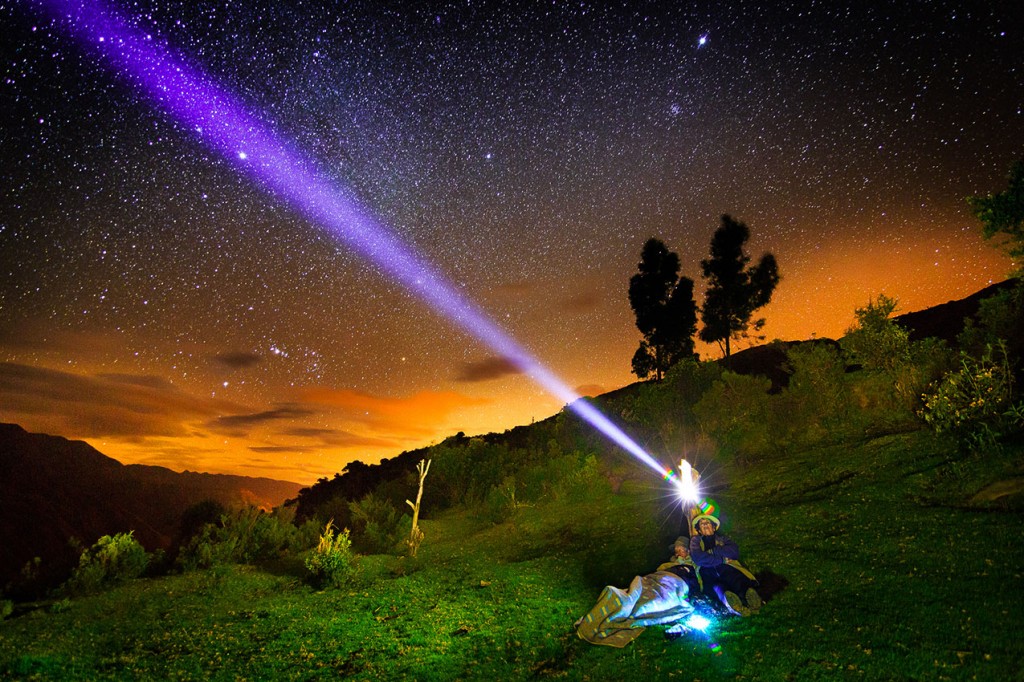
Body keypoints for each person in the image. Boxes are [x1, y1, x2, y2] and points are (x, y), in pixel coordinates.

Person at [688, 513, 762, 616]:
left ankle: (751, 598)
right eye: (702, 524)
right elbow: (699, 559)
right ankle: (734, 605)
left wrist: (712, 551)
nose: (705, 525)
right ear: (699, 530)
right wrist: (722, 559)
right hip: (707, 571)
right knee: (717, 587)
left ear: (714, 527)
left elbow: (734, 552)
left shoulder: (723, 539)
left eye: (707, 523)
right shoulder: (695, 541)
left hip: (727, 567)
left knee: (736, 580)